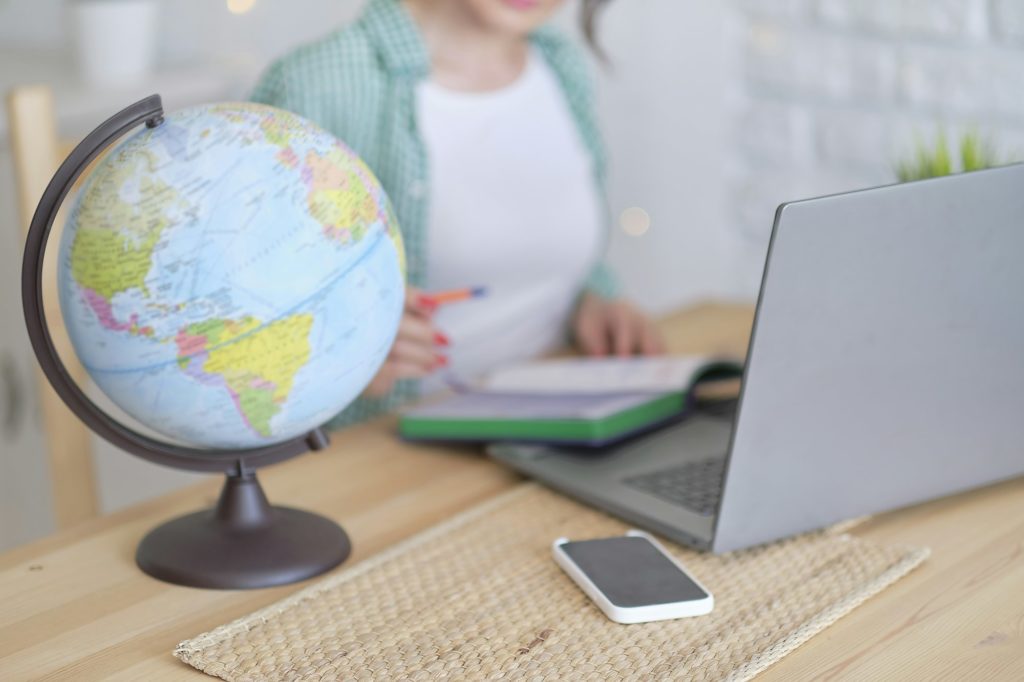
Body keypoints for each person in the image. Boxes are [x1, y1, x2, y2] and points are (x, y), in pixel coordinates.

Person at [251, 0, 664, 427]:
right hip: (387, 444)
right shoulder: (319, 82)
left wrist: (591, 298)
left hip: (553, 423)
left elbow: (547, 243)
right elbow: (245, 314)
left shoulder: (561, 63)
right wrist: (340, 356)